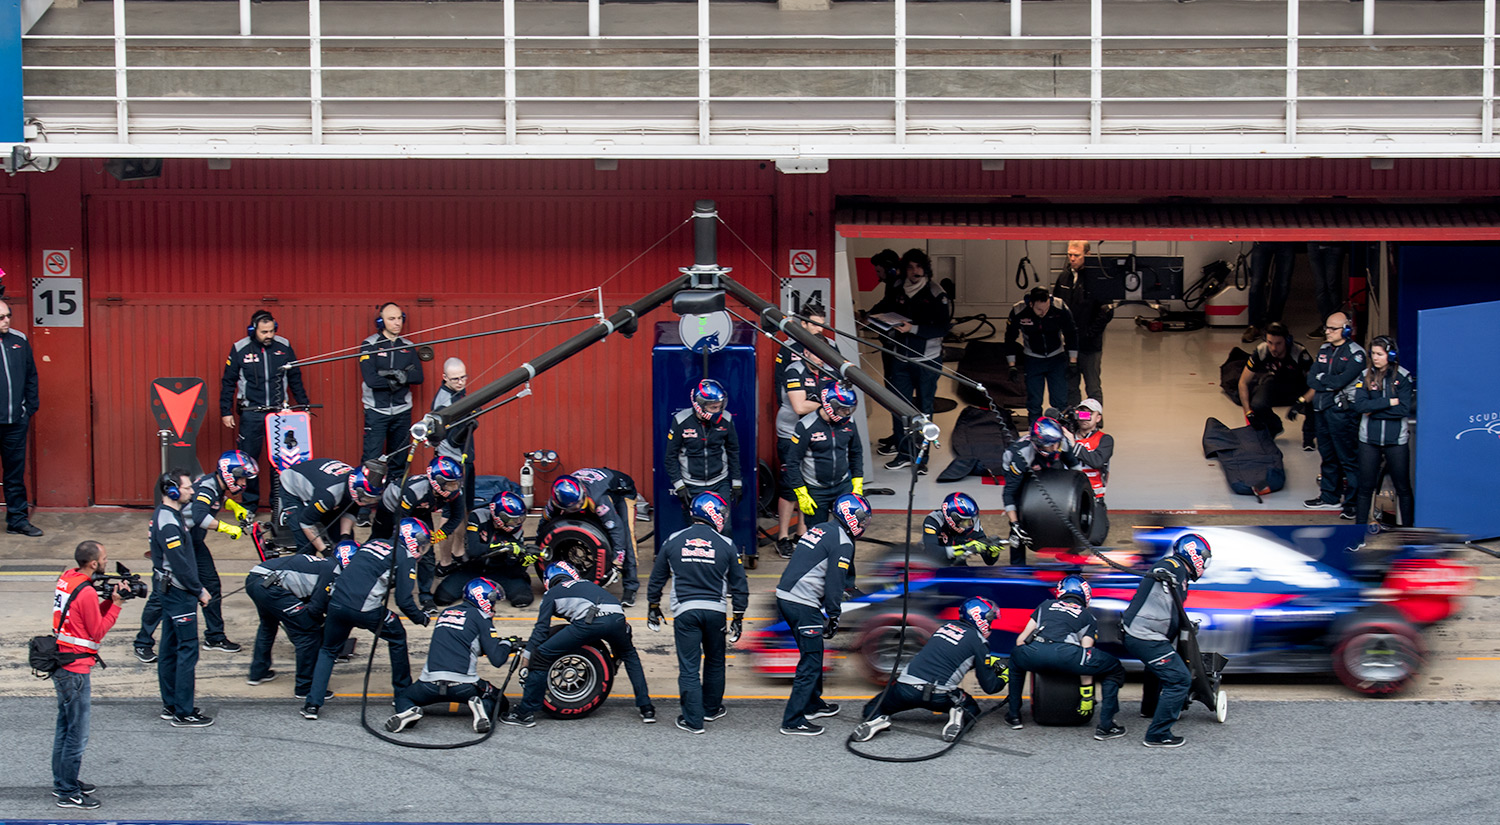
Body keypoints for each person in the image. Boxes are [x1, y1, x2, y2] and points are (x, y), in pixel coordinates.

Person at [300, 518, 433, 721]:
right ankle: (402, 695)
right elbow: (404, 600)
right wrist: (420, 618)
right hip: (365, 609)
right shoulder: (405, 556)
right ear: (412, 539)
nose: (423, 548)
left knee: (328, 650)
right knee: (397, 636)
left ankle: (312, 704)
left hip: (336, 603)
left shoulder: (373, 543)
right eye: (422, 542)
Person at [500, 562, 656, 728]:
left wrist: (527, 658)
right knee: (630, 655)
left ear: (548, 581)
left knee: (542, 655)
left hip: (590, 622)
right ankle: (646, 708)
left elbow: (541, 631)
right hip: (618, 618)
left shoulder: (551, 594)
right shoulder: (588, 584)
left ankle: (525, 713)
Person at [133, 451, 256, 661]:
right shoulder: (208, 488)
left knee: (212, 585)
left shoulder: (215, 485)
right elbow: (200, 515)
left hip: (194, 543)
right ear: (229, 475)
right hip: (177, 544)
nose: (244, 482)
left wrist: (233, 506)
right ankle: (142, 642)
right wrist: (226, 528)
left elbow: (215, 500)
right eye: (242, 477)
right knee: (162, 595)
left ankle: (215, 636)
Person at [646, 491, 750, 734]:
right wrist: (738, 616)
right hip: (715, 611)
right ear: (711, 513)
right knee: (715, 660)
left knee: (689, 667)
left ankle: (693, 721)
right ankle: (711, 709)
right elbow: (740, 585)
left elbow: (656, 579)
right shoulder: (726, 544)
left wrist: (653, 606)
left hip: (686, 611)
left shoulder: (673, 539)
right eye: (722, 513)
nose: (724, 518)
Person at [775, 492, 870, 736]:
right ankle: (793, 720)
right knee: (811, 659)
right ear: (849, 516)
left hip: (787, 595)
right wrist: (834, 614)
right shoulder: (844, 541)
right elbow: (834, 582)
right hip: (802, 603)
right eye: (862, 518)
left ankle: (813, 703)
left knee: (813, 652)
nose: (864, 524)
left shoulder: (821, 528)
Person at [852, 596, 1009, 744]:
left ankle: (877, 720)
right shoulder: (979, 642)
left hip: (905, 688)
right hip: (938, 695)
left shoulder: (944, 627)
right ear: (979, 618)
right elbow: (989, 686)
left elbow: (948, 656)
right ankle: (958, 713)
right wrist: (1004, 675)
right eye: (990, 619)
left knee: (872, 707)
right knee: (972, 710)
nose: (991, 623)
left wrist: (986, 662)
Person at [385, 578, 521, 735]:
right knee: (500, 702)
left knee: (402, 698)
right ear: (483, 599)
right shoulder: (481, 618)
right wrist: (507, 644)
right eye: (493, 601)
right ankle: (482, 708)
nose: (494, 606)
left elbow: (463, 643)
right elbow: (497, 659)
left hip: (428, 684)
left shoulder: (445, 613)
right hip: (464, 685)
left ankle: (409, 712)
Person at [50, 540, 128, 809]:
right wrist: (116, 604)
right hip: (76, 670)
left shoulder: (69, 579)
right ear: (93, 563)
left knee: (65, 727)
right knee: (76, 734)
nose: (107, 562)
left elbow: (85, 617)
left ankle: (63, 781)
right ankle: (68, 792)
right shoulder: (84, 593)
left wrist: (106, 601)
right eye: (104, 558)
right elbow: (96, 631)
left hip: (62, 663)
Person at [1004, 575, 1127, 741]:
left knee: (1015, 660)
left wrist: (1026, 655)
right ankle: (1106, 726)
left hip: (1034, 652)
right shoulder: (1088, 616)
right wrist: (1087, 694)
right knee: (1115, 668)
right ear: (1086, 595)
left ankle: (1014, 715)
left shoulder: (1045, 605)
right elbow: (1086, 653)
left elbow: (1021, 640)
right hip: (1066, 655)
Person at [1122, 533, 1211, 748]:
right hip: (1145, 636)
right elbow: (1163, 568)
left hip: (1139, 633)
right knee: (1180, 679)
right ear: (1195, 555)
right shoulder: (1173, 566)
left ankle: (1150, 709)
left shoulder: (1181, 573)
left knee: (1156, 668)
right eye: (1204, 559)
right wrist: (1164, 574)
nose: (1205, 565)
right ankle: (1158, 734)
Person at [868, 248, 952, 469]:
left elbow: (943, 328)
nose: (914, 271)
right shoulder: (896, 287)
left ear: (926, 268)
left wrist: (912, 329)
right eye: (910, 267)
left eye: (918, 266)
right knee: (899, 406)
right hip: (900, 357)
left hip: (927, 360)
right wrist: (872, 317)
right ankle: (904, 454)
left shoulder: (936, 293)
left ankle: (921, 459)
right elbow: (886, 308)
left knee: (924, 408)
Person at [219, 310, 310, 512]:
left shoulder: (283, 347)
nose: (268, 336)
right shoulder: (240, 348)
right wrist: (225, 411)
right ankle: (250, 505)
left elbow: (295, 377)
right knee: (248, 460)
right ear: (253, 331)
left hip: (280, 414)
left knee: (282, 460)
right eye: (263, 332)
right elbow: (228, 382)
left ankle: (280, 504)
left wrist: (304, 405)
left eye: (271, 331)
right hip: (252, 413)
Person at [149, 469, 215, 728]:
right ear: (172, 491)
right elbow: (179, 564)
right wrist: (199, 590)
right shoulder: (169, 523)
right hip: (179, 593)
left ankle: (171, 704)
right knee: (187, 651)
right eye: (187, 487)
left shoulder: (166, 515)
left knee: (169, 649)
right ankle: (184, 712)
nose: (192, 491)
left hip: (168, 591)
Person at [357, 302, 425, 525]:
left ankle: (393, 505)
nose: (397, 323)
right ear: (381, 322)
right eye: (391, 319)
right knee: (373, 460)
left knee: (399, 460)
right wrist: (397, 377)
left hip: (402, 411)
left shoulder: (408, 345)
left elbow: (418, 377)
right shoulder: (369, 345)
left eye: (399, 318)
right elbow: (371, 379)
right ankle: (364, 509)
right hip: (376, 411)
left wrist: (394, 376)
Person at [373, 455, 466, 613]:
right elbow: (401, 522)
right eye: (450, 484)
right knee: (387, 546)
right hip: (392, 510)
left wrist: (440, 534)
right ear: (437, 482)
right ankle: (379, 583)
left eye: (456, 483)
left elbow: (457, 516)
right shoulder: (413, 491)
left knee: (427, 553)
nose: (455, 487)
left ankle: (425, 595)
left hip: (422, 511)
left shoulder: (456, 492)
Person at [245, 545, 337, 700]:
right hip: (271, 587)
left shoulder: (325, 563)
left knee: (268, 625)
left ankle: (258, 672)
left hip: (255, 578)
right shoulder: (332, 572)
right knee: (308, 633)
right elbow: (315, 607)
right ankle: (305, 687)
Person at [542, 468, 642, 606]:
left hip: (622, 492)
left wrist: (617, 562)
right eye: (573, 507)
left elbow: (616, 529)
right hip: (592, 490)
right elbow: (544, 523)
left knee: (626, 534)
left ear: (582, 492)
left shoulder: (598, 498)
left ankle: (631, 587)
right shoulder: (556, 500)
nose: (577, 506)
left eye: (579, 503)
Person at [775, 311, 828, 557]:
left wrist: (820, 405)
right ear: (805, 351)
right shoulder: (794, 369)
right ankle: (783, 536)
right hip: (790, 434)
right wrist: (827, 406)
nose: (819, 357)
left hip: (816, 433)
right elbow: (799, 407)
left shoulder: (829, 370)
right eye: (814, 352)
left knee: (810, 484)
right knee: (790, 488)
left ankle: (802, 533)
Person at [1303, 312, 1366, 519]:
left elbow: (1340, 382)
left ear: (1346, 330)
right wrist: (1326, 380)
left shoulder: (1357, 354)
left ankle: (1353, 503)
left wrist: (1325, 379)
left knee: (1347, 458)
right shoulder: (1323, 349)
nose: (1327, 332)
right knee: (1328, 455)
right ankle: (1329, 497)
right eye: (1326, 328)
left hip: (1342, 413)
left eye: (1333, 329)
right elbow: (1311, 379)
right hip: (1321, 410)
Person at [999, 417, 1083, 564]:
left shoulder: (1062, 443)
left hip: (1048, 467)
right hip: (1023, 476)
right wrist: (1015, 523)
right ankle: (1017, 566)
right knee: (1021, 519)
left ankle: (1070, 555)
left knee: (1064, 511)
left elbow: (1075, 468)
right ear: (1039, 445)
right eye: (1052, 445)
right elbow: (1009, 493)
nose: (1056, 447)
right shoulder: (1021, 456)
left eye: (1058, 442)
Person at [1352, 336, 1416, 528]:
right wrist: (1389, 401)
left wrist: (1374, 409)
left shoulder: (1403, 377)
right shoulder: (1364, 375)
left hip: (1396, 441)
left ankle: (1407, 536)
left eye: (1380, 354)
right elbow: (1360, 406)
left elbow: (1404, 409)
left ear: (1391, 354)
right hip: (1368, 440)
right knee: (1365, 488)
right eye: (1373, 353)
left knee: (1403, 488)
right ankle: (1357, 535)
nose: (1375, 357)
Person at [664, 379, 743, 527]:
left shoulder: (726, 418)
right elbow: (670, 456)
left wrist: (737, 482)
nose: (718, 410)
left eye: (720, 406)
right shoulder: (681, 420)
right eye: (714, 407)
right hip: (691, 485)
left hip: (720, 482)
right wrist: (679, 486)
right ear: (700, 405)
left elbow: (733, 450)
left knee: (724, 529)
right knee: (693, 529)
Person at [785, 383, 864, 526]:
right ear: (830, 406)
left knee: (849, 529)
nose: (847, 413)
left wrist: (857, 482)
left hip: (843, 485)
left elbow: (856, 452)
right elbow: (792, 461)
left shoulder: (850, 422)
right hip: (816, 490)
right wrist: (801, 492)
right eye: (843, 409)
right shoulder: (806, 426)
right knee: (817, 533)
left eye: (850, 409)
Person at [444, 490, 538, 609]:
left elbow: (514, 570)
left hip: (500, 571)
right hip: (473, 568)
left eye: (519, 519)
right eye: (512, 520)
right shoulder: (477, 516)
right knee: (442, 598)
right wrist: (500, 547)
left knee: (522, 600)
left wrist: (524, 561)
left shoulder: (517, 531)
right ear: (499, 515)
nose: (516, 523)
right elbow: (473, 550)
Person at [275, 459, 384, 556]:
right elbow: (306, 523)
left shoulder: (354, 486)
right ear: (356, 491)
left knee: (345, 541)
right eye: (366, 499)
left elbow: (350, 512)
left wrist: (344, 538)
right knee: (306, 545)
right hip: (293, 487)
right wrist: (324, 551)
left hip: (322, 486)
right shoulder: (328, 495)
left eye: (371, 500)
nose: (367, 503)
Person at [1005, 287, 1079, 426]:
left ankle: (1061, 432)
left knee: (1060, 401)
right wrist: (1012, 366)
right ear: (1031, 304)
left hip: (1056, 358)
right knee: (1034, 401)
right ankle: (1035, 434)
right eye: (1039, 310)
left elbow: (1071, 333)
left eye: (1046, 309)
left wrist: (1072, 361)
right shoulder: (1019, 310)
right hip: (1033, 359)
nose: (1042, 313)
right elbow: (1009, 338)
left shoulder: (1059, 306)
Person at [1054, 241, 1114, 406]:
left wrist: (1089, 334)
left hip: (1090, 347)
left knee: (1092, 386)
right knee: (1070, 386)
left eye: (1077, 255)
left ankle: (1093, 424)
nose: (1072, 259)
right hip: (1068, 345)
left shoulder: (1098, 279)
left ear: (1087, 254)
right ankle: (1075, 420)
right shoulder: (1064, 277)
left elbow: (1107, 312)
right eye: (1070, 255)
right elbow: (1056, 306)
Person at [0, 298, 41, 536]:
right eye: (1, 318)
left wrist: (27, 409)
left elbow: (31, 376)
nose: (6, 321)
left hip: (15, 422)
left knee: (15, 474)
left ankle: (17, 520)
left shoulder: (19, 340)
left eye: (8, 316)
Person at [1236, 322, 1314, 445]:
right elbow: (1243, 382)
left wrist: (1302, 401)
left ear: (1287, 341)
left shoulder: (1299, 353)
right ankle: (1274, 426)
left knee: (1315, 402)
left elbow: (1316, 384)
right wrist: (1248, 412)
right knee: (1257, 404)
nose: (1273, 348)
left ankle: (1309, 438)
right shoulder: (1262, 351)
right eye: (1270, 343)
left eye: (1278, 344)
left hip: (1298, 386)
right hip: (1276, 383)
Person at [430, 357, 477, 528]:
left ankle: (461, 550)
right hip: (452, 464)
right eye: (455, 379)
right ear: (444, 377)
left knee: (466, 508)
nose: (460, 382)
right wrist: (468, 423)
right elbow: (452, 440)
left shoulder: (458, 393)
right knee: (450, 513)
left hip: (466, 460)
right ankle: (445, 554)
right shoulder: (444, 404)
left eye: (463, 377)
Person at [1065, 399, 1113, 546]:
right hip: (1068, 497)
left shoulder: (1105, 439)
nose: (1084, 417)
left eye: (1089, 414)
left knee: (1095, 539)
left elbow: (1097, 461)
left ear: (1098, 418)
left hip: (1094, 497)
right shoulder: (1066, 436)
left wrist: (1074, 445)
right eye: (1081, 413)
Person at [921, 491, 1003, 566]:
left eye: (971, 521)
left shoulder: (973, 526)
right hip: (930, 565)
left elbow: (989, 561)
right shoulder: (933, 520)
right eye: (965, 522)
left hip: (957, 566)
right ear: (951, 518)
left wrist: (992, 552)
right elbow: (932, 552)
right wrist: (966, 548)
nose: (969, 525)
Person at [1242, 241, 1296, 343]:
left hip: (1287, 238)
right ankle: (1254, 325)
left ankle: (1274, 321)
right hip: (1262, 238)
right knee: (1256, 283)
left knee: (1283, 284)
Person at [1306, 242, 1346, 340]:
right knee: (1321, 286)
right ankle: (1326, 325)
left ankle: (1335, 326)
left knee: (1332, 285)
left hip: (1334, 243)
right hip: (1314, 243)